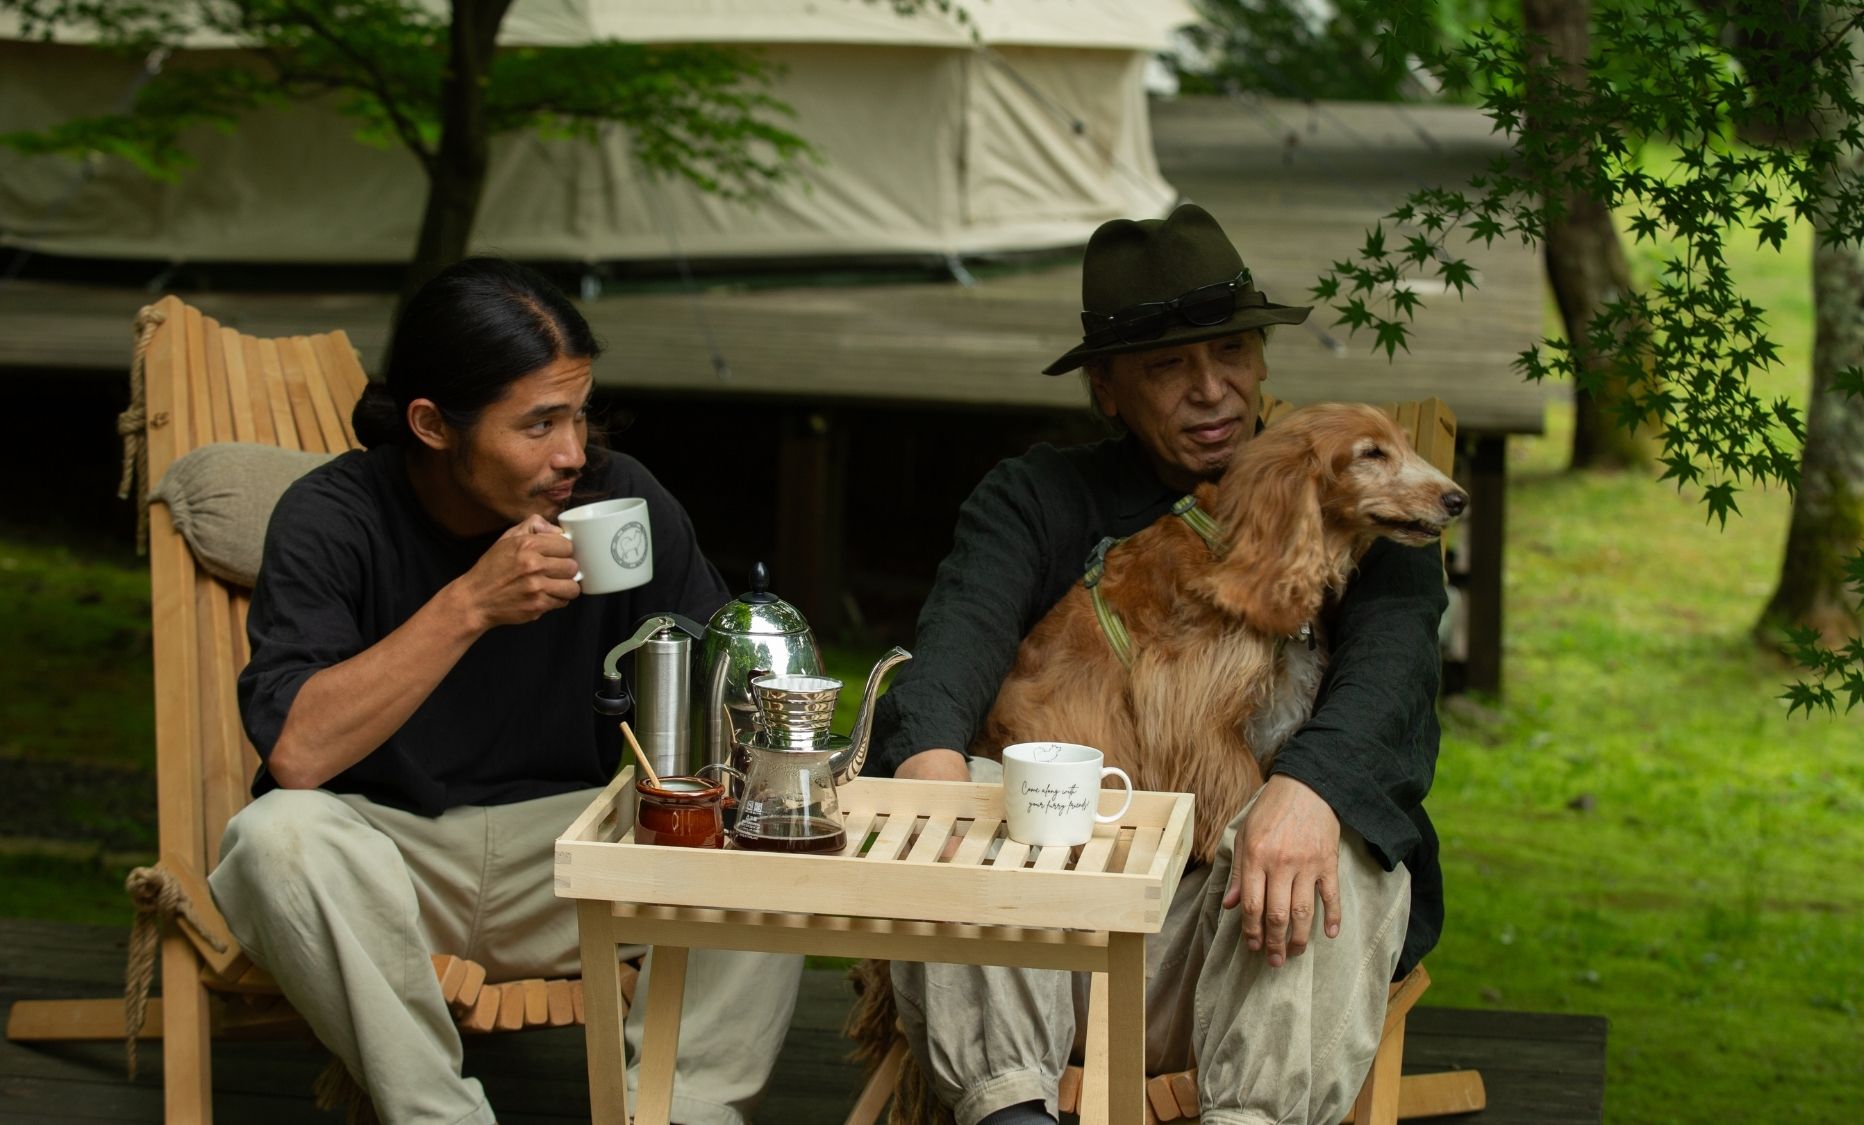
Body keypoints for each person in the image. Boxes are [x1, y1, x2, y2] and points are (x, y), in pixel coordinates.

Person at [868, 204, 1448, 1125]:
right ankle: (1013, 1113)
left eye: (1231, 355)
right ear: (1106, 389)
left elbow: (1393, 679)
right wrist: (932, 764)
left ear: (1261, 359)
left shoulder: (1356, 498)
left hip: (1250, 942)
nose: (1211, 390)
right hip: (1053, 944)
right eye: (1167, 366)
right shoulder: (1041, 498)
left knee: (1338, 834)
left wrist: (1309, 788)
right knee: (967, 793)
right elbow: (956, 641)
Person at [209, 258, 800, 1125]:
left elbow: (730, 694)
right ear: (432, 424)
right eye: (538, 423)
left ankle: (677, 1111)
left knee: (767, 834)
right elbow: (298, 751)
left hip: (578, 852)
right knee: (273, 841)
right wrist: (471, 604)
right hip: (395, 860)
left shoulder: (620, 500)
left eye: (579, 413)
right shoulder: (334, 518)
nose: (571, 453)